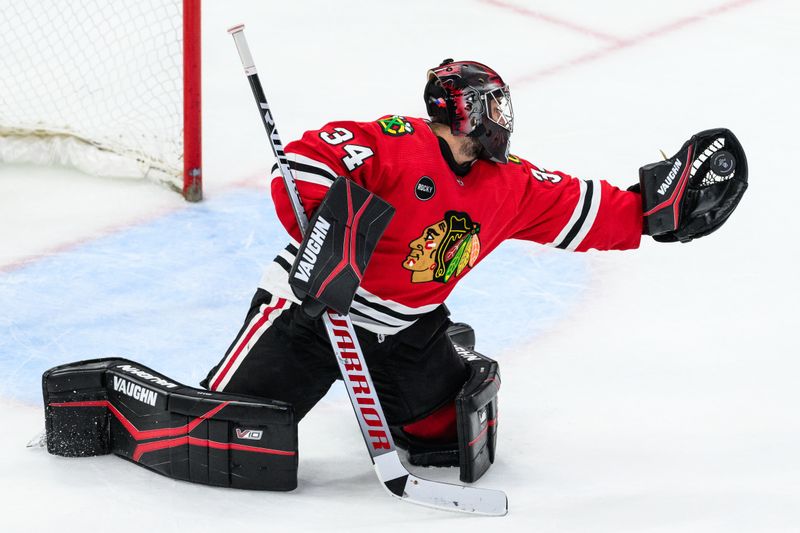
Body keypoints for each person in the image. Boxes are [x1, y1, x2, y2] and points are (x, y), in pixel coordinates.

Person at [201, 58, 741, 464]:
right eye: (494, 105)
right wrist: (325, 231)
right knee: (232, 437)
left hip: (407, 331)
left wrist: (655, 214)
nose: (503, 118)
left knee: (449, 440)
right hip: (311, 317)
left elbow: (583, 207)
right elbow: (304, 161)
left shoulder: (510, 184)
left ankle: (449, 346)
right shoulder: (393, 144)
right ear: (463, 110)